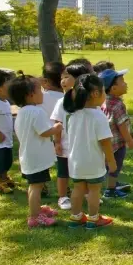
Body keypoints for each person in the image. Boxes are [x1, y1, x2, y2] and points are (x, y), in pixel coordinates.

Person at [9, 72, 62, 228]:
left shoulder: (22, 112)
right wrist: (56, 128)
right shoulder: (36, 112)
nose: (43, 93)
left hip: (29, 156)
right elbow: (44, 132)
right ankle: (34, 217)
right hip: (36, 157)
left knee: (36, 185)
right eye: (40, 90)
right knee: (36, 187)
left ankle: (38, 209)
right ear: (30, 95)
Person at [64, 74, 117, 229]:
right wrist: (111, 160)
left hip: (75, 161)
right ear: (95, 93)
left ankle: (75, 217)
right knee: (94, 189)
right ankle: (93, 218)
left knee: (78, 188)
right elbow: (105, 141)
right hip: (92, 161)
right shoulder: (99, 116)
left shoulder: (73, 115)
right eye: (103, 91)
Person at [50, 63, 90, 210]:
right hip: (66, 145)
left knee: (84, 170)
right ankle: (63, 197)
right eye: (62, 77)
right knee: (63, 172)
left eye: (67, 77)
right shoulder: (61, 102)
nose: (63, 81)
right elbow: (58, 122)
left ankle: (87, 193)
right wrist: (57, 142)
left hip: (82, 145)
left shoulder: (88, 102)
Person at [99, 69, 133, 198]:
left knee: (108, 164)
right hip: (117, 143)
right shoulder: (118, 105)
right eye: (123, 81)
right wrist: (129, 140)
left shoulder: (102, 101)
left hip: (105, 141)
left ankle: (111, 184)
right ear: (114, 88)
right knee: (116, 165)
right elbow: (122, 125)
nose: (126, 84)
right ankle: (110, 190)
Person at [39, 61, 65, 199]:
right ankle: (66, 188)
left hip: (43, 134)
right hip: (62, 134)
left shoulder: (40, 97)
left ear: (46, 81)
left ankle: (41, 186)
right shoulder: (66, 97)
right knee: (64, 164)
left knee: (42, 163)